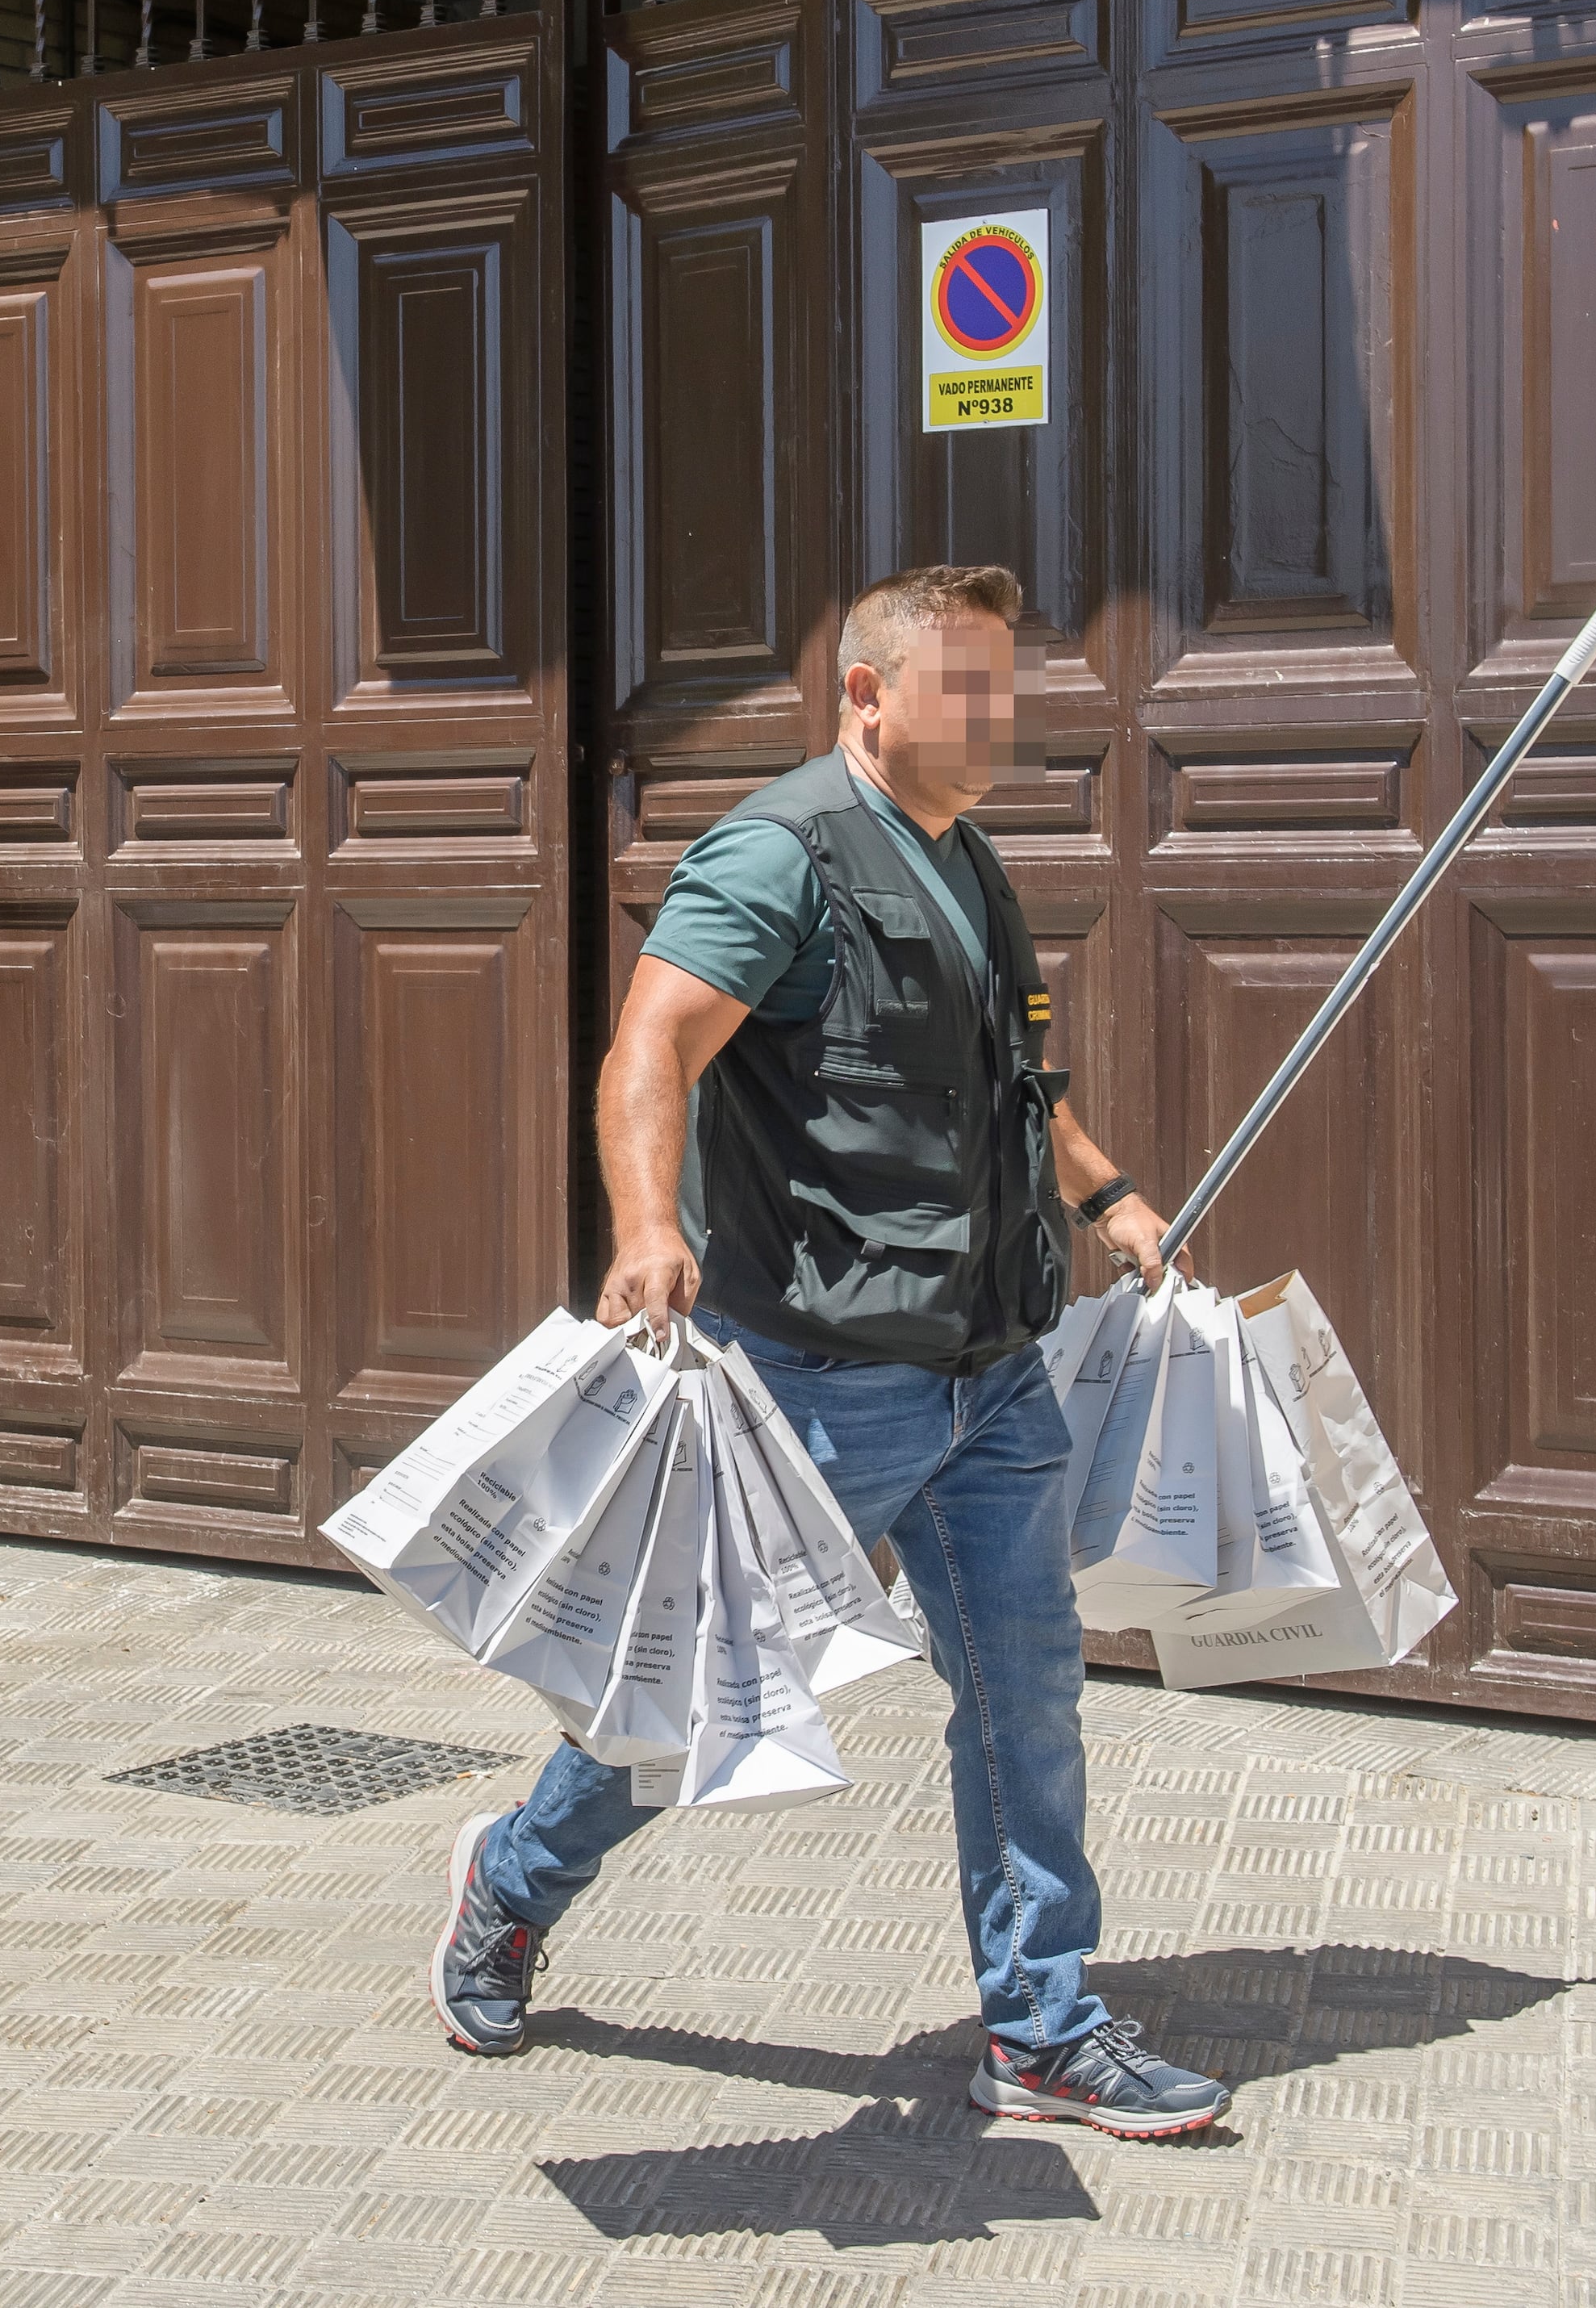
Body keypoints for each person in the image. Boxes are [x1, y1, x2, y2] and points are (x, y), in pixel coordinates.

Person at [427, 565, 1228, 2139]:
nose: (1004, 719)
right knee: (698, 1698)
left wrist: (1110, 1194)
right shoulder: (780, 852)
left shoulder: (972, 862)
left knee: (1026, 1696)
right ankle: (511, 1879)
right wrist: (645, 1222)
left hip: (992, 1364)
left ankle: (1044, 2026)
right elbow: (650, 1039)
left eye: (1011, 688)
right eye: (970, 689)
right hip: (817, 1375)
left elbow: (1014, 1079)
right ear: (868, 694)